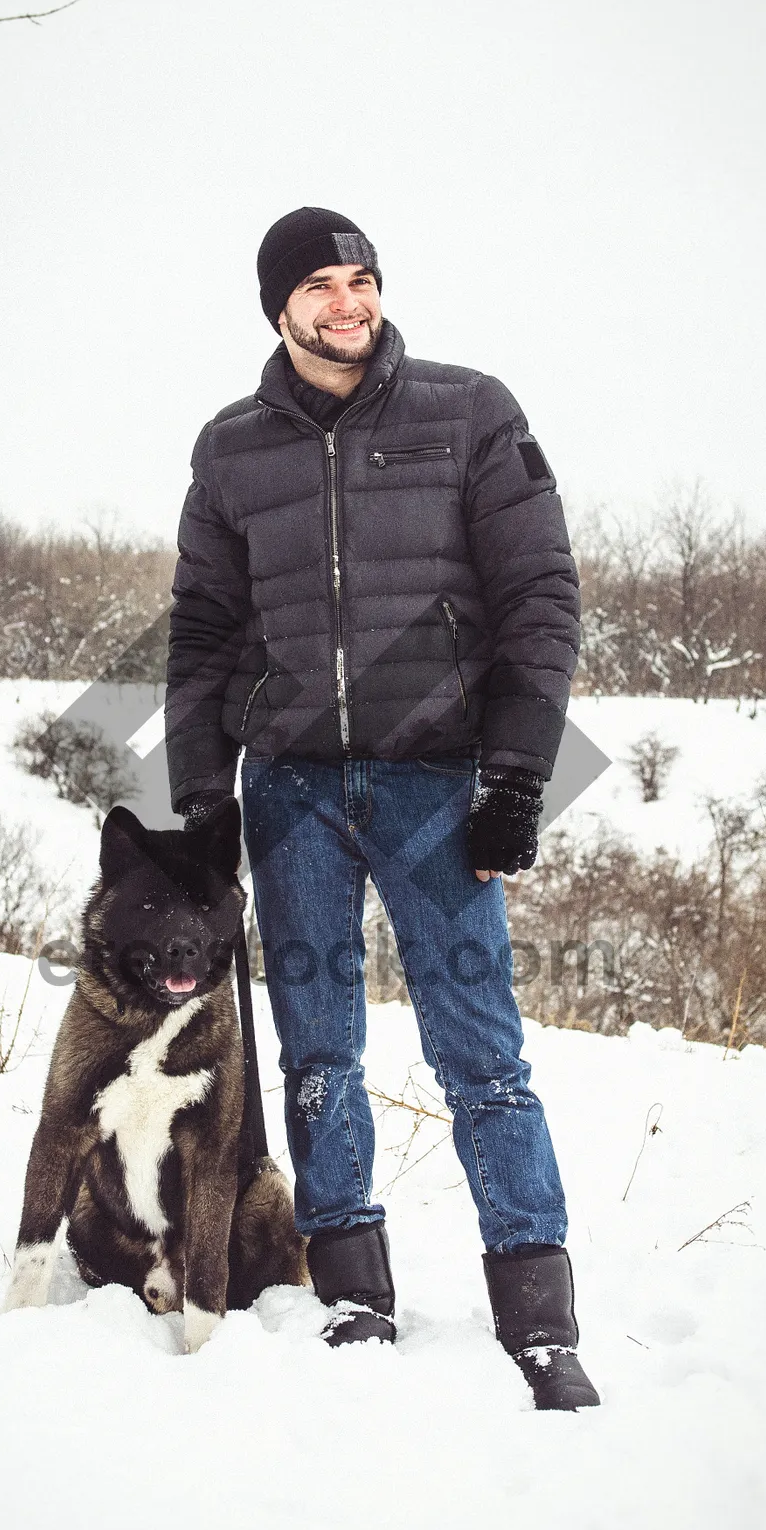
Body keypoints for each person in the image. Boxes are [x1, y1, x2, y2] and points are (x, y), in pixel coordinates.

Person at [164, 207, 599, 1409]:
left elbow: (541, 599)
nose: (349, 302)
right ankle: (353, 1288)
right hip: (289, 785)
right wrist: (203, 796)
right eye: (320, 283)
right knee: (317, 1050)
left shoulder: (470, 412)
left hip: (435, 776)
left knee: (481, 1050)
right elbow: (201, 631)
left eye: (362, 279)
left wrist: (518, 773)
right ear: (278, 307)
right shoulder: (232, 448)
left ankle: (539, 1315)